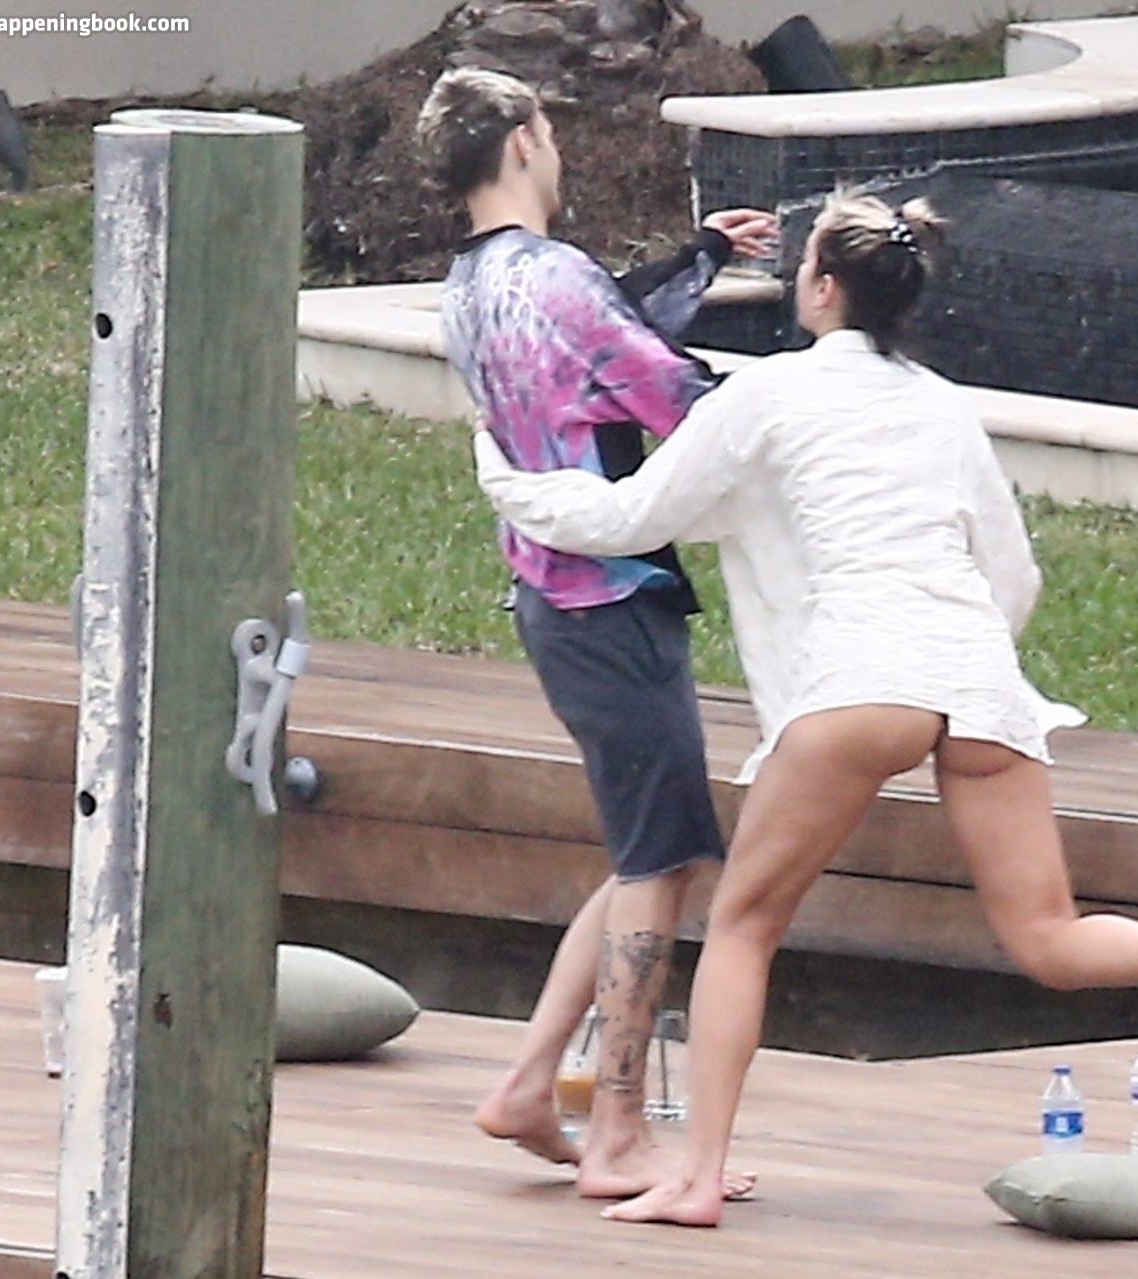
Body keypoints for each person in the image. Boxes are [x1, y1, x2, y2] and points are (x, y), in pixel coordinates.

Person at [473, 190, 1138, 1228]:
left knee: (744, 927)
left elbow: (629, 514)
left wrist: (506, 476)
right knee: (1046, 934)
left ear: (821, 287)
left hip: (863, 679)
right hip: (977, 681)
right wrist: (961, 662)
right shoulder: (941, 404)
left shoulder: (769, 391)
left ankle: (699, 1174)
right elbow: (1014, 575)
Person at [415, 67, 773, 1199]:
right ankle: (615, 1124)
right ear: (524, 140)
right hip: (610, 602)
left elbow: (601, 338)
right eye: (551, 131)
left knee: (647, 853)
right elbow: (672, 396)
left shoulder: (471, 285)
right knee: (662, 864)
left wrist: (699, 256)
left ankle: (530, 1085)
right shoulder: (556, 277)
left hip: (554, 599)